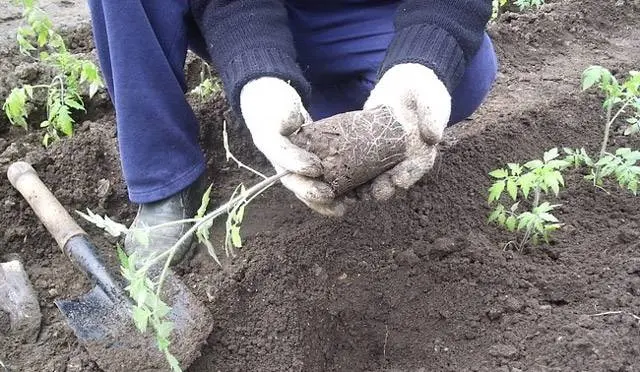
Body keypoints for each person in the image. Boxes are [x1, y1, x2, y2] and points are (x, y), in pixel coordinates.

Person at [86, 0, 497, 264]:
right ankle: (166, 180)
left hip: (370, 12)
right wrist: (258, 74)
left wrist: (422, 62)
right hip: (252, 10)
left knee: (455, 80)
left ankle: (331, 95)